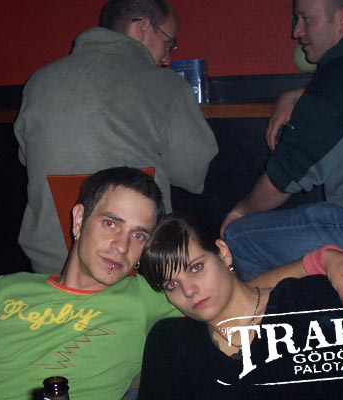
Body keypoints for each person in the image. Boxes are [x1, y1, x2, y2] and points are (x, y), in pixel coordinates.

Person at [0, 168, 343, 400]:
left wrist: (320, 259)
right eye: (110, 223)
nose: (122, 246)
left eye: (139, 234)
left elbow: (229, 289)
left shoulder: (149, 294)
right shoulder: (8, 290)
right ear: (79, 219)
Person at [220, 0, 343, 281]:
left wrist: (241, 211)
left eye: (306, 19)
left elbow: (283, 178)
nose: (296, 31)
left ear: (342, 19)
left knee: (240, 237)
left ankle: (279, 311)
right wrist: (296, 94)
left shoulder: (340, 80)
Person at [14, 0, 218, 274]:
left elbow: (27, 158)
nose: (167, 58)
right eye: (168, 43)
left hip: (51, 266)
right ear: (143, 28)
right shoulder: (167, 85)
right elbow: (193, 173)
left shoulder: (39, 81)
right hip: (133, 267)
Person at [138, 213, 343, 399]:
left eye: (196, 268)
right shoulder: (170, 343)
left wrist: (324, 258)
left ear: (223, 253)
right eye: (171, 285)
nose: (188, 291)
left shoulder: (305, 302)